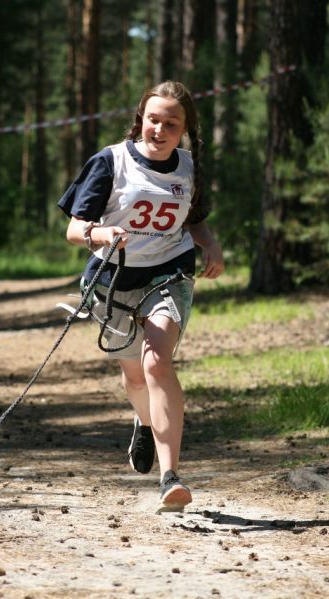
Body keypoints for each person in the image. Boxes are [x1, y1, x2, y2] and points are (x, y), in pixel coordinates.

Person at [58, 81, 224, 510]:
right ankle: (146, 422)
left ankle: (171, 477)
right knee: (135, 376)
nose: (160, 129)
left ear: (184, 129)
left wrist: (211, 243)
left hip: (169, 273)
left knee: (157, 362)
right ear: (140, 119)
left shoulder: (190, 166)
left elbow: (194, 221)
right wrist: (100, 232)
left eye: (171, 123)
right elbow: (74, 229)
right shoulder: (110, 162)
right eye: (153, 119)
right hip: (113, 278)